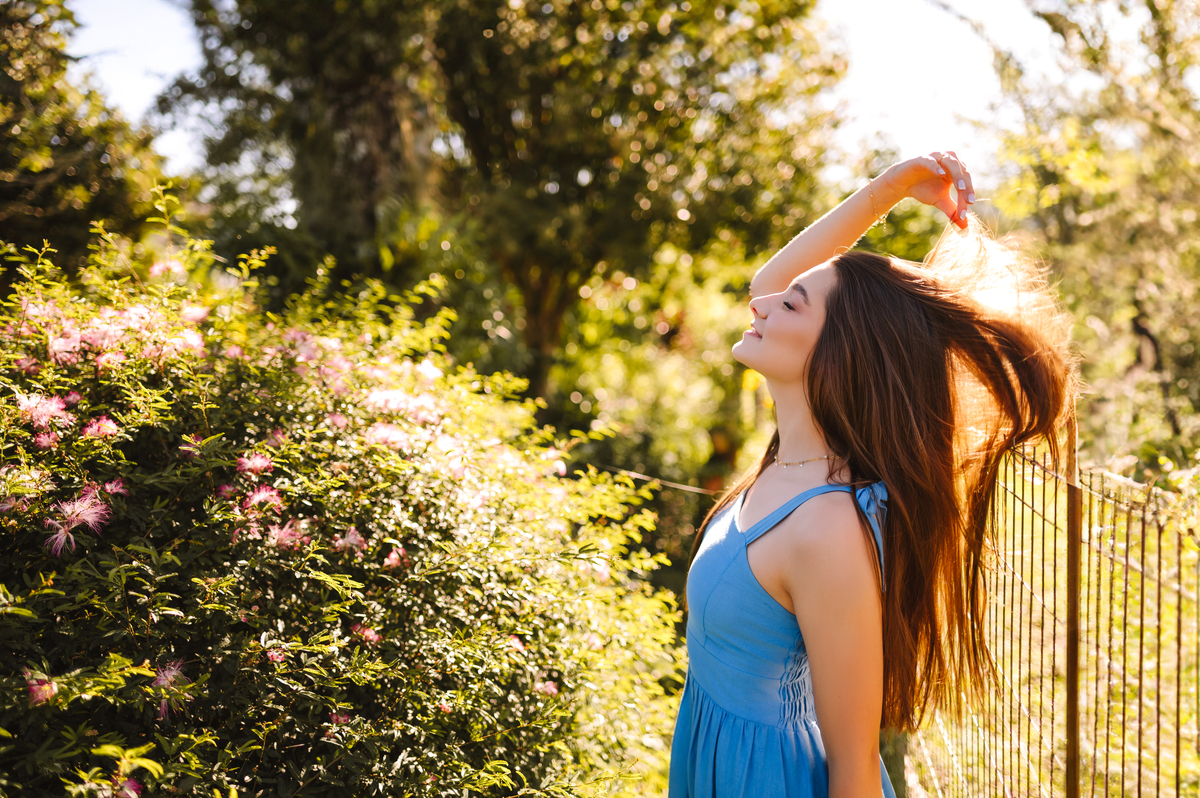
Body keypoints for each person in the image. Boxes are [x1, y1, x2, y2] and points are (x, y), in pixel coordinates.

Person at [668, 151, 1075, 798]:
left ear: (837, 354)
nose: (763, 301)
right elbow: (770, 282)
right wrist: (891, 188)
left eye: (790, 304)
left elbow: (855, 771)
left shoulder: (825, 527)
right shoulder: (791, 463)